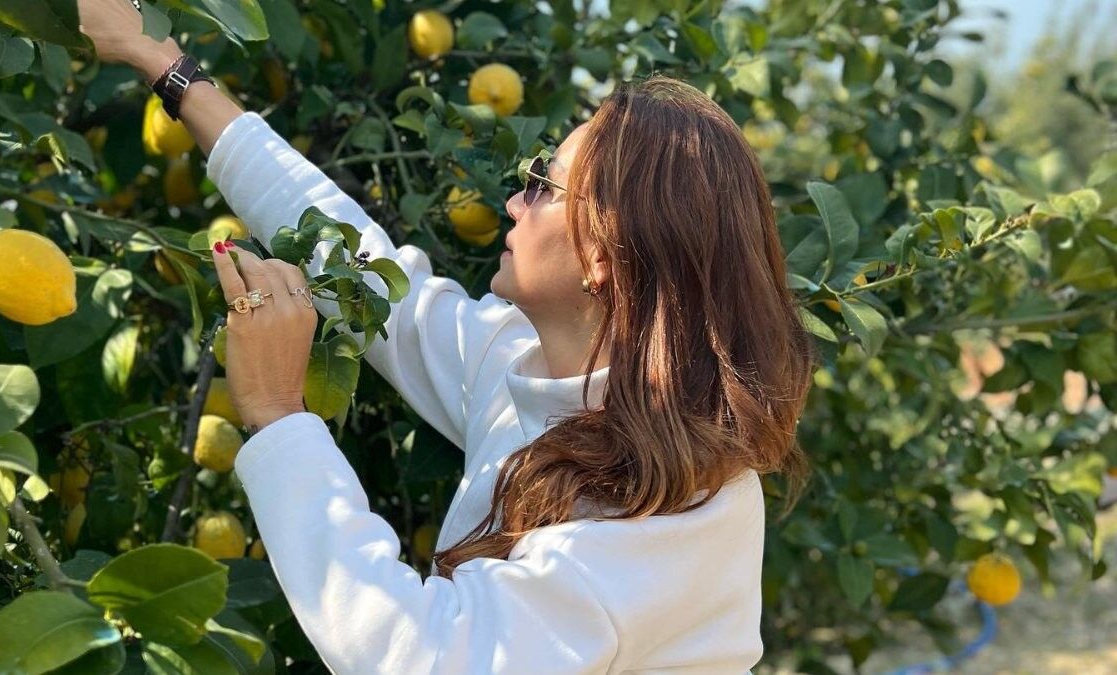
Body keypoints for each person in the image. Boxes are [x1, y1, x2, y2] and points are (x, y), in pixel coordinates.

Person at [80, 2, 817, 672]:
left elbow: (422, 654)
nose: (514, 200)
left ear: (604, 251)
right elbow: (361, 265)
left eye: (542, 184)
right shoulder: (524, 364)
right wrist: (168, 67)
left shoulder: (683, 514)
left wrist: (277, 412)